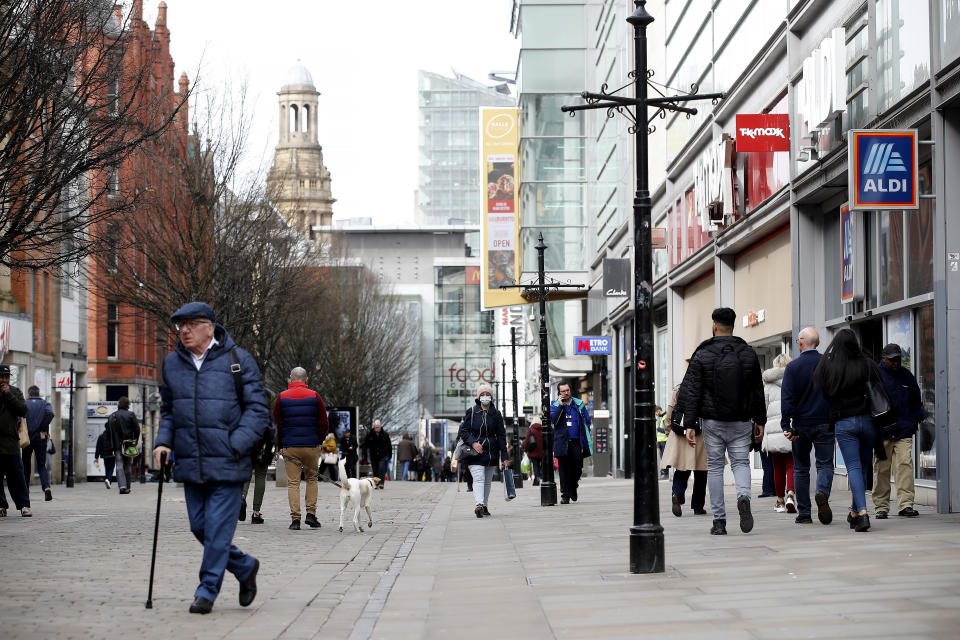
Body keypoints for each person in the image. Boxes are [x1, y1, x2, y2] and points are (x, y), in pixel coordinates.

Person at [152, 302, 268, 614]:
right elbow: (169, 412)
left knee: (216, 529)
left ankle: (206, 590)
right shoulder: (172, 365)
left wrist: (236, 443)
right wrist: (163, 442)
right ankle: (244, 567)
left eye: (191, 324)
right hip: (191, 461)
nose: (184, 331)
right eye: (180, 326)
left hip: (229, 461)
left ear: (209, 327)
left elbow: (259, 410)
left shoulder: (238, 360)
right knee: (200, 528)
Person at [676, 307, 766, 536]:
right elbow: (757, 389)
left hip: (713, 421)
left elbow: (693, 390)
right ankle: (743, 496)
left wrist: (689, 424)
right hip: (741, 420)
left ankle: (719, 521)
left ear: (714, 325)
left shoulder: (703, 354)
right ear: (733, 325)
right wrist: (760, 420)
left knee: (715, 468)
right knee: (741, 463)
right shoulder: (747, 353)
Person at [812, 327, 884, 533]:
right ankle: (854, 512)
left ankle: (862, 513)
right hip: (868, 421)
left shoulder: (830, 367)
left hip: (844, 422)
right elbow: (879, 390)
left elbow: (823, 393)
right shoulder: (867, 364)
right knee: (861, 467)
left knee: (853, 467)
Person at [781, 327, 834, 525]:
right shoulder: (828, 364)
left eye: (797, 340)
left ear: (802, 342)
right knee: (825, 464)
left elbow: (787, 398)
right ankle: (822, 492)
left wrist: (787, 424)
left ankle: (804, 513)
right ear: (817, 343)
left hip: (801, 425)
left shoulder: (793, 367)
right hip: (825, 422)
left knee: (801, 468)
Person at [873, 343, 925, 519]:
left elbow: (916, 400)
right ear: (884, 358)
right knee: (882, 469)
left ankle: (906, 505)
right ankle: (881, 506)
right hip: (882, 431)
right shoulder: (875, 376)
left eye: (898, 359)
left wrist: (915, 419)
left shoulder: (906, 376)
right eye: (892, 359)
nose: (896, 362)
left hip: (903, 430)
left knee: (905, 466)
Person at [273, 366, 329, 530]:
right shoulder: (315, 396)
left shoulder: (281, 397)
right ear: (306, 379)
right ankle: (311, 514)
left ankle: (295, 519)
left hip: (291, 446)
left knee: (293, 483)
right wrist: (318, 440)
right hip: (311, 446)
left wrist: (280, 445)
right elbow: (324, 423)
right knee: (312, 479)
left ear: (291, 378)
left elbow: (276, 424)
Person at [458, 384, 509, 517]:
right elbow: (463, 431)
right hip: (474, 453)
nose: (485, 397)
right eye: (482, 394)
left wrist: (504, 456)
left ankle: (484, 505)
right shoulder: (472, 412)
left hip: (491, 452)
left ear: (491, 397)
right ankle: (479, 504)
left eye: (488, 395)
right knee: (479, 478)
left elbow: (501, 436)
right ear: (478, 397)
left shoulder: (496, 414)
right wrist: (473, 442)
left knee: (487, 481)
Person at [662, 381, 707, 517]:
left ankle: (677, 495)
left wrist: (668, 430)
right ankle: (698, 506)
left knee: (682, 469)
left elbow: (670, 410)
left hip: (680, 433)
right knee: (701, 472)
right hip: (700, 434)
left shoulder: (679, 388)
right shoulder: (705, 386)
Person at [762, 354, 796, 513]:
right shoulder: (795, 380)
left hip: (773, 431)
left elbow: (764, 408)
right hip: (790, 427)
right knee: (791, 464)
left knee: (777, 467)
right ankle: (790, 493)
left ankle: (780, 501)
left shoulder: (768, 385)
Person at [550, 381, 593, 505]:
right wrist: (560, 406)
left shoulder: (578, 404)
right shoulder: (554, 405)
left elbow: (587, 421)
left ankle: (573, 486)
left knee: (578, 466)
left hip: (576, 442)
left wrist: (585, 434)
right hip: (562, 442)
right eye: (563, 391)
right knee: (563, 470)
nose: (566, 393)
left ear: (570, 390)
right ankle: (565, 495)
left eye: (567, 390)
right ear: (559, 393)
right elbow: (555, 421)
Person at [0, 365, 30, 517]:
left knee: (16, 475)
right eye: (1, 377)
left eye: (6, 377)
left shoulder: (15, 392)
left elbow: (23, 410)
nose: (4, 380)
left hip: (11, 441)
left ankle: (24, 505)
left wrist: (8, 395)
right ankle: (1, 506)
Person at [22, 385, 54, 501]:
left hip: (27, 438)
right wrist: (43, 429)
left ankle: (25, 490)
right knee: (41, 465)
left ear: (29, 394)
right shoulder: (45, 404)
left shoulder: (24, 403)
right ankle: (46, 487)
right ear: (38, 394)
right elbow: (50, 414)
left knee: (26, 465)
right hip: (40, 438)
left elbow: (19, 417)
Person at [241, 418, 275, 525]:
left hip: (247, 450)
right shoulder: (267, 416)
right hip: (263, 451)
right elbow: (273, 434)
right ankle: (256, 513)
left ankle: (241, 498)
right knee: (260, 477)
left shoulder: (245, 413)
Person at [107, 397, 140, 495]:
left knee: (119, 465)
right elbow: (137, 429)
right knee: (127, 465)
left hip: (117, 445)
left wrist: (112, 445)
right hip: (128, 444)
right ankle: (128, 486)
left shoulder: (112, 416)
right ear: (128, 405)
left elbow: (109, 432)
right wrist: (135, 441)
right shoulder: (131, 415)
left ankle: (122, 486)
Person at [362, 420, 392, 489]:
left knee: (381, 468)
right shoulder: (370, 434)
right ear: (374, 427)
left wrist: (390, 455)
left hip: (383, 455)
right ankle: (376, 483)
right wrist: (365, 456)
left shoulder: (385, 434)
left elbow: (389, 445)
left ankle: (381, 483)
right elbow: (365, 446)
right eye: (375, 427)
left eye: (378, 427)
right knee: (375, 470)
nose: (377, 429)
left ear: (380, 426)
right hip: (373, 455)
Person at [522, 417, 543, 486]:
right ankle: (539, 476)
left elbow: (527, 440)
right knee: (540, 465)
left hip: (533, 451)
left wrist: (525, 449)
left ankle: (536, 478)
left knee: (535, 465)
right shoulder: (543, 429)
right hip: (541, 451)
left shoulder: (531, 429)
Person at [655, 405, 669, 480]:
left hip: (664, 442)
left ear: (658, 411)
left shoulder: (665, 417)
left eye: (656, 413)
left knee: (664, 458)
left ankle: (665, 473)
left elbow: (666, 430)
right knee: (662, 458)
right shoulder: (663, 417)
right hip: (661, 442)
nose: (656, 415)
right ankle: (663, 472)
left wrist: (657, 428)